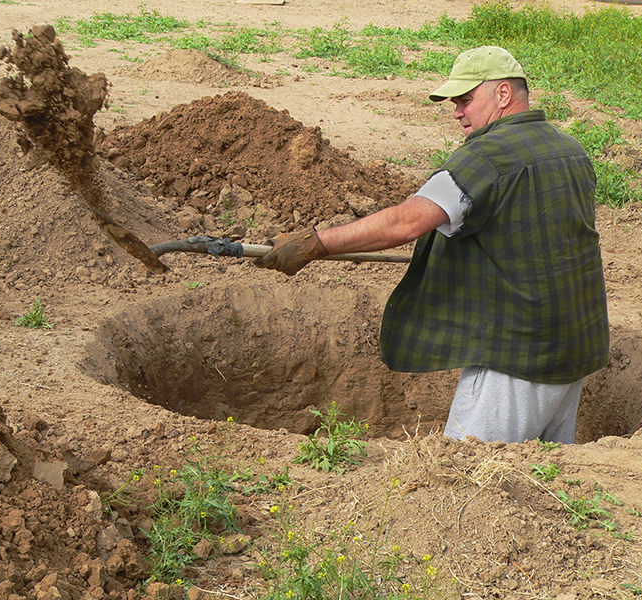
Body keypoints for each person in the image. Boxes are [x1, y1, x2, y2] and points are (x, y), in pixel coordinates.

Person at [254, 46, 609, 444]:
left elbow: (406, 223)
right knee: (542, 476)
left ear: (504, 95)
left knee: (468, 476)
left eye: (465, 100)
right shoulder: (570, 150)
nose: (457, 112)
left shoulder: (486, 158)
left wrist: (314, 243)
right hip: (575, 344)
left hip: (519, 356)